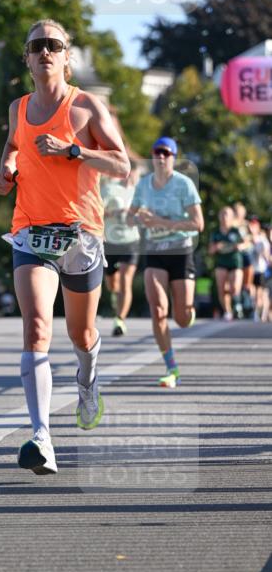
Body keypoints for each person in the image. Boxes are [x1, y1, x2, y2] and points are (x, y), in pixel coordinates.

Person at [0, 18, 130, 476]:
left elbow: (122, 164)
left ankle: (87, 378)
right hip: (31, 231)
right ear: (27, 58)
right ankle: (41, 436)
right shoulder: (18, 107)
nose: (45, 52)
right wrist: (6, 171)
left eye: (54, 45)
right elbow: (13, 147)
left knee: (81, 335)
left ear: (66, 56)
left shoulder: (88, 106)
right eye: (37, 46)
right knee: (35, 328)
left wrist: (73, 152)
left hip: (81, 233)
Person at [128, 137, 204, 388]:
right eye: (156, 152)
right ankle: (172, 368)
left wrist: (163, 222)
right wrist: (140, 218)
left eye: (166, 153)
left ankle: (187, 312)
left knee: (181, 318)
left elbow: (198, 224)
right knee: (158, 310)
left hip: (181, 251)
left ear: (173, 157)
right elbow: (130, 219)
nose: (160, 157)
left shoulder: (184, 185)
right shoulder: (143, 185)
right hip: (155, 251)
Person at [101, 164, 141, 336]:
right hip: (110, 241)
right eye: (131, 173)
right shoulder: (110, 189)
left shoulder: (141, 194)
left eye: (137, 175)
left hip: (131, 242)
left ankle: (120, 320)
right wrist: (111, 212)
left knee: (126, 280)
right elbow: (96, 211)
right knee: (112, 283)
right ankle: (115, 295)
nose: (133, 177)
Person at [209, 206, 246, 320]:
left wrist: (239, 246)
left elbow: (246, 243)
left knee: (234, 288)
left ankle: (237, 305)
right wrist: (216, 247)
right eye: (223, 214)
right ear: (220, 217)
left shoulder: (236, 231)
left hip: (235, 262)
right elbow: (210, 251)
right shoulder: (215, 233)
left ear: (231, 217)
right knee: (222, 289)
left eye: (227, 214)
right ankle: (227, 311)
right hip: (221, 262)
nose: (225, 217)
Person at [250, 218, 271, 322]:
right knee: (252, 293)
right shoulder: (247, 238)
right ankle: (257, 312)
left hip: (261, 269)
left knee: (261, 293)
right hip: (251, 270)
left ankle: (261, 313)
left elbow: (266, 254)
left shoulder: (262, 240)